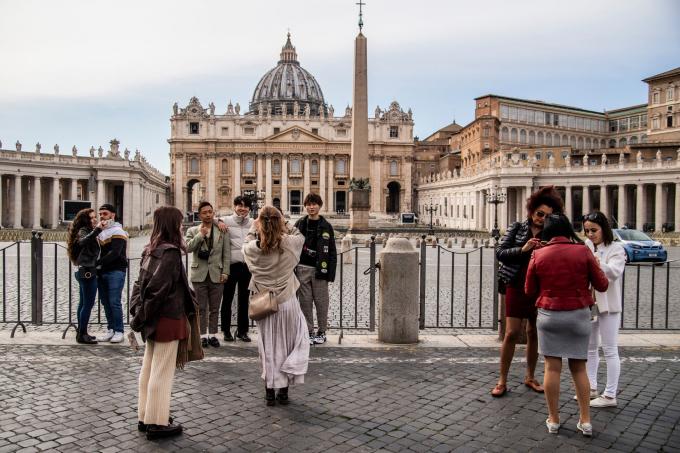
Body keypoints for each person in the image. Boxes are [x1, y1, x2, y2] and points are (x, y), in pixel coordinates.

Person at [525, 214, 608, 437]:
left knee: (552, 368)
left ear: (548, 233)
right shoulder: (583, 251)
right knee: (579, 368)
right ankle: (586, 420)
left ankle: (553, 420)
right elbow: (602, 284)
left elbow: (529, 289)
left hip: (550, 315)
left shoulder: (538, 254)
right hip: (578, 315)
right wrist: (595, 268)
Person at [131, 206, 198, 440]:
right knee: (162, 372)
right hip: (168, 317)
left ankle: (145, 415)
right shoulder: (169, 253)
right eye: (179, 223)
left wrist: (138, 315)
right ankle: (157, 423)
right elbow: (158, 291)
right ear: (172, 225)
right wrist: (140, 318)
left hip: (153, 319)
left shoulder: (151, 249)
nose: (182, 227)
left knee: (149, 368)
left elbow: (139, 286)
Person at [492, 186, 564, 397]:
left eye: (547, 216)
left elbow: (560, 256)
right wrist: (523, 249)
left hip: (540, 287)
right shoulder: (517, 227)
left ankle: (530, 376)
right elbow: (501, 253)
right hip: (515, 283)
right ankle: (502, 380)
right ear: (531, 211)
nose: (542, 218)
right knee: (511, 333)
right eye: (539, 213)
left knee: (534, 332)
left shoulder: (552, 234)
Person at [242, 206, 310, 406]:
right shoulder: (290, 243)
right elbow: (299, 235)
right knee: (288, 345)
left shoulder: (252, 248)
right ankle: (283, 391)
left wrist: (256, 227)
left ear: (259, 224)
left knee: (268, 346)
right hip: (287, 301)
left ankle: (269, 390)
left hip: (263, 302)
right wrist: (283, 222)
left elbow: (246, 241)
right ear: (280, 222)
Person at [583, 212, 626, 408]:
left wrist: (597, 262)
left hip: (609, 304)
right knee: (590, 349)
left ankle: (610, 395)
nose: (590, 234)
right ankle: (591, 388)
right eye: (587, 230)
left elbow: (616, 272)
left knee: (610, 349)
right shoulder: (586, 245)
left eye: (594, 230)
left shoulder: (616, 248)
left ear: (603, 229)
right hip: (591, 303)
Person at [185, 201, 230, 348]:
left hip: (217, 273)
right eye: (204, 212)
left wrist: (225, 272)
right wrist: (200, 235)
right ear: (199, 215)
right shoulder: (192, 230)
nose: (208, 215)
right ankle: (202, 335)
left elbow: (226, 254)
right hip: (199, 274)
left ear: (214, 212)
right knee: (201, 308)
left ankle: (213, 335)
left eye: (210, 212)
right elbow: (187, 248)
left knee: (215, 308)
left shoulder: (222, 230)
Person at [294, 193, 337, 345]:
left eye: (314, 204)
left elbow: (332, 250)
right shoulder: (299, 224)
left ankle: (322, 331)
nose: (311, 207)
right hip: (302, 268)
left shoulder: (327, 226)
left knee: (321, 302)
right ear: (305, 206)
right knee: (305, 302)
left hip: (320, 269)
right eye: (309, 204)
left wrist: (330, 274)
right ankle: (308, 331)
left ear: (320, 206)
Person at [219, 196, 255, 342]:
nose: (242, 209)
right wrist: (219, 221)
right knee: (227, 299)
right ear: (234, 206)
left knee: (244, 300)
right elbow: (211, 220)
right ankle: (226, 330)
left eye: (246, 206)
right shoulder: (226, 221)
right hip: (230, 265)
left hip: (246, 266)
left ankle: (243, 331)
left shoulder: (253, 223)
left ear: (249, 209)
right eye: (240, 206)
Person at [66, 208, 103, 344]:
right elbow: (83, 242)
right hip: (87, 271)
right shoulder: (84, 231)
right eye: (92, 217)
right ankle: (82, 334)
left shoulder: (87, 231)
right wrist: (97, 230)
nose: (95, 219)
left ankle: (82, 332)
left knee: (83, 303)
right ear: (85, 220)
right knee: (87, 304)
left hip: (86, 270)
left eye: (95, 217)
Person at [96, 204, 128, 343]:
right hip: (102, 270)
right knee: (105, 302)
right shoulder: (101, 231)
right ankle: (111, 329)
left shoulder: (118, 231)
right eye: (101, 214)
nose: (102, 216)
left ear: (112, 215)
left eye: (105, 213)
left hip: (116, 270)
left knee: (114, 302)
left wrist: (97, 263)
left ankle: (119, 331)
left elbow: (115, 253)